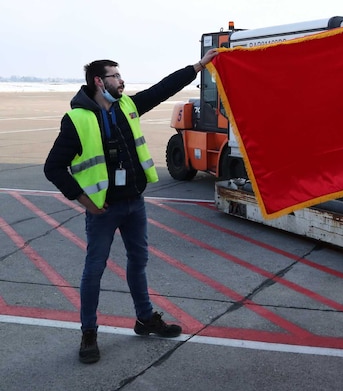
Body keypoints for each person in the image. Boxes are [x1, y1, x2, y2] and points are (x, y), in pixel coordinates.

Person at [44, 50, 217, 364]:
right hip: (103, 210)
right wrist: (86, 202)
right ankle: (89, 333)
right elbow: (53, 167)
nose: (122, 82)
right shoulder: (77, 120)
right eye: (116, 76)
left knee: (138, 262)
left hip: (134, 203)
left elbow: (162, 89)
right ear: (99, 81)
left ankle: (145, 319)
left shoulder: (127, 106)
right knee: (93, 271)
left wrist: (198, 66)